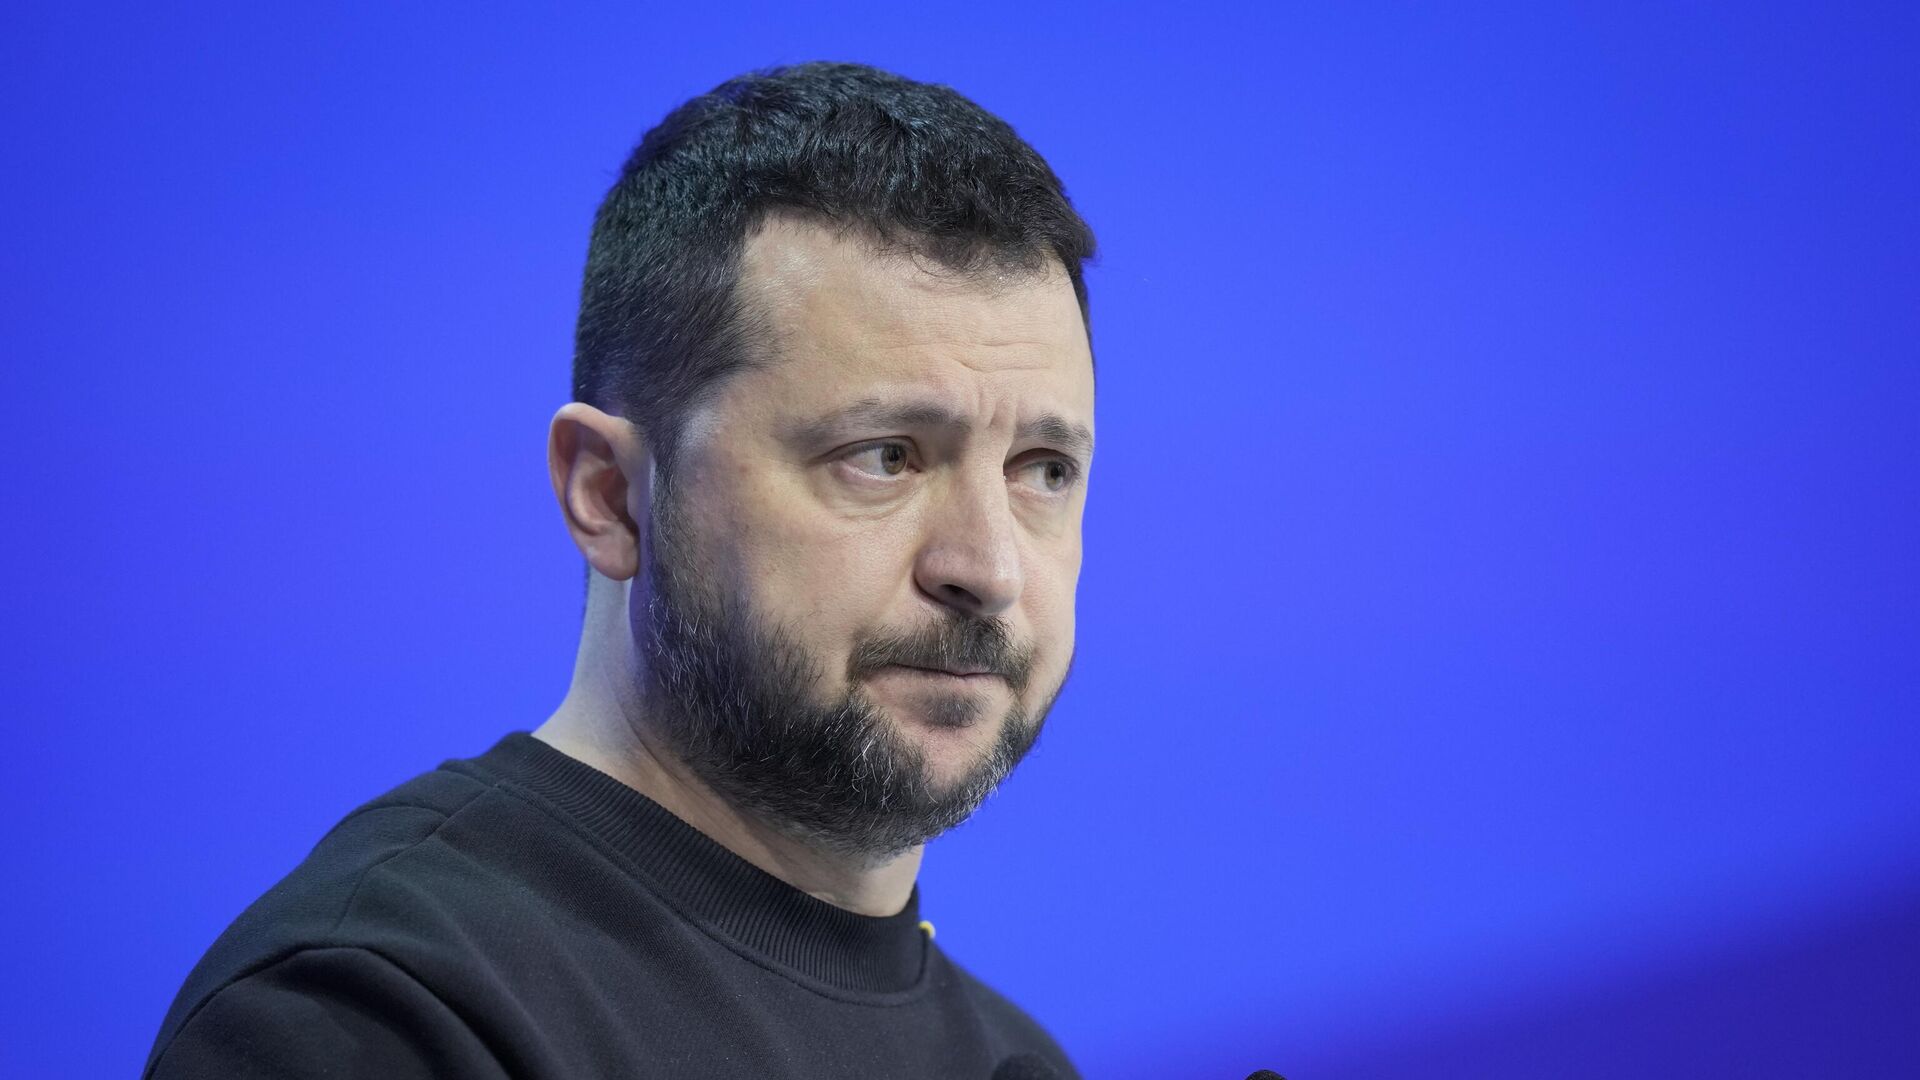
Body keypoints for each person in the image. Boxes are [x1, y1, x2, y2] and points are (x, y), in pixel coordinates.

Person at [144, 61, 1097, 1079]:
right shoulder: (376, 1012)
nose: (989, 567)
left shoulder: (1022, 1062)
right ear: (608, 494)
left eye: (1043, 469)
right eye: (883, 456)